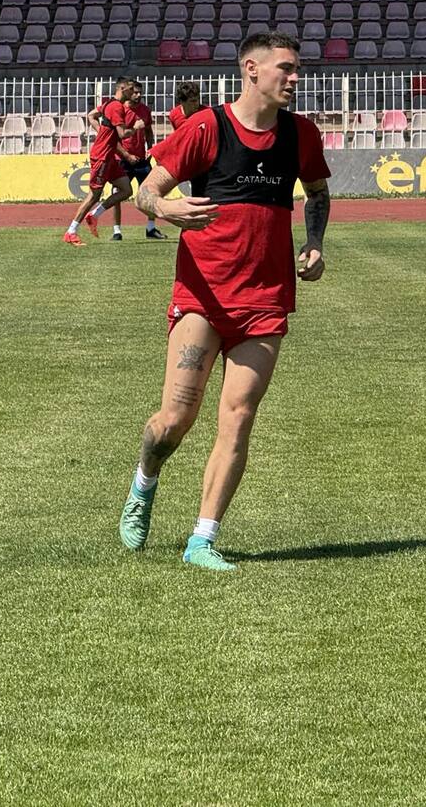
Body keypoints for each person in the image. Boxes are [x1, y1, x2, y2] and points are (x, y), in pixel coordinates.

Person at [119, 31, 331, 572]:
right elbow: (148, 188)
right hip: (203, 297)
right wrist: (165, 209)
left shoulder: (301, 134)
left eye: (297, 69)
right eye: (286, 68)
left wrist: (313, 243)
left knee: (237, 416)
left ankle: (202, 540)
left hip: (265, 300)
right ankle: (144, 483)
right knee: (173, 420)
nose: (295, 78)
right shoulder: (207, 127)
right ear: (251, 70)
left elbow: (319, 192)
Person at [63, 76, 142, 247]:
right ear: (122, 89)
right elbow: (122, 134)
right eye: (131, 89)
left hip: (109, 156)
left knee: (126, 189)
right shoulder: (116, 107)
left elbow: (92, 115)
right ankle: (71, 231)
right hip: (102, 156)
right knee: (94, 195)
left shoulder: (107, 104)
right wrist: (135, 128)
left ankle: (94, 215)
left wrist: (102, 132)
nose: (134, 92)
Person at [110, 86, 167, 242]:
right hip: (122, 159)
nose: (138, 95)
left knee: (151, 193)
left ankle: (150, 228)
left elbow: (148, 130)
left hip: (142, 159)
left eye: (140, 92)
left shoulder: (145, 110)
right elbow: (114, 138)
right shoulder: (120, 110)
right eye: (135, 92)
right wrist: (127, 155)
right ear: (128, 93)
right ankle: (117, 231)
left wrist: (151, 148)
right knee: (116, 194)